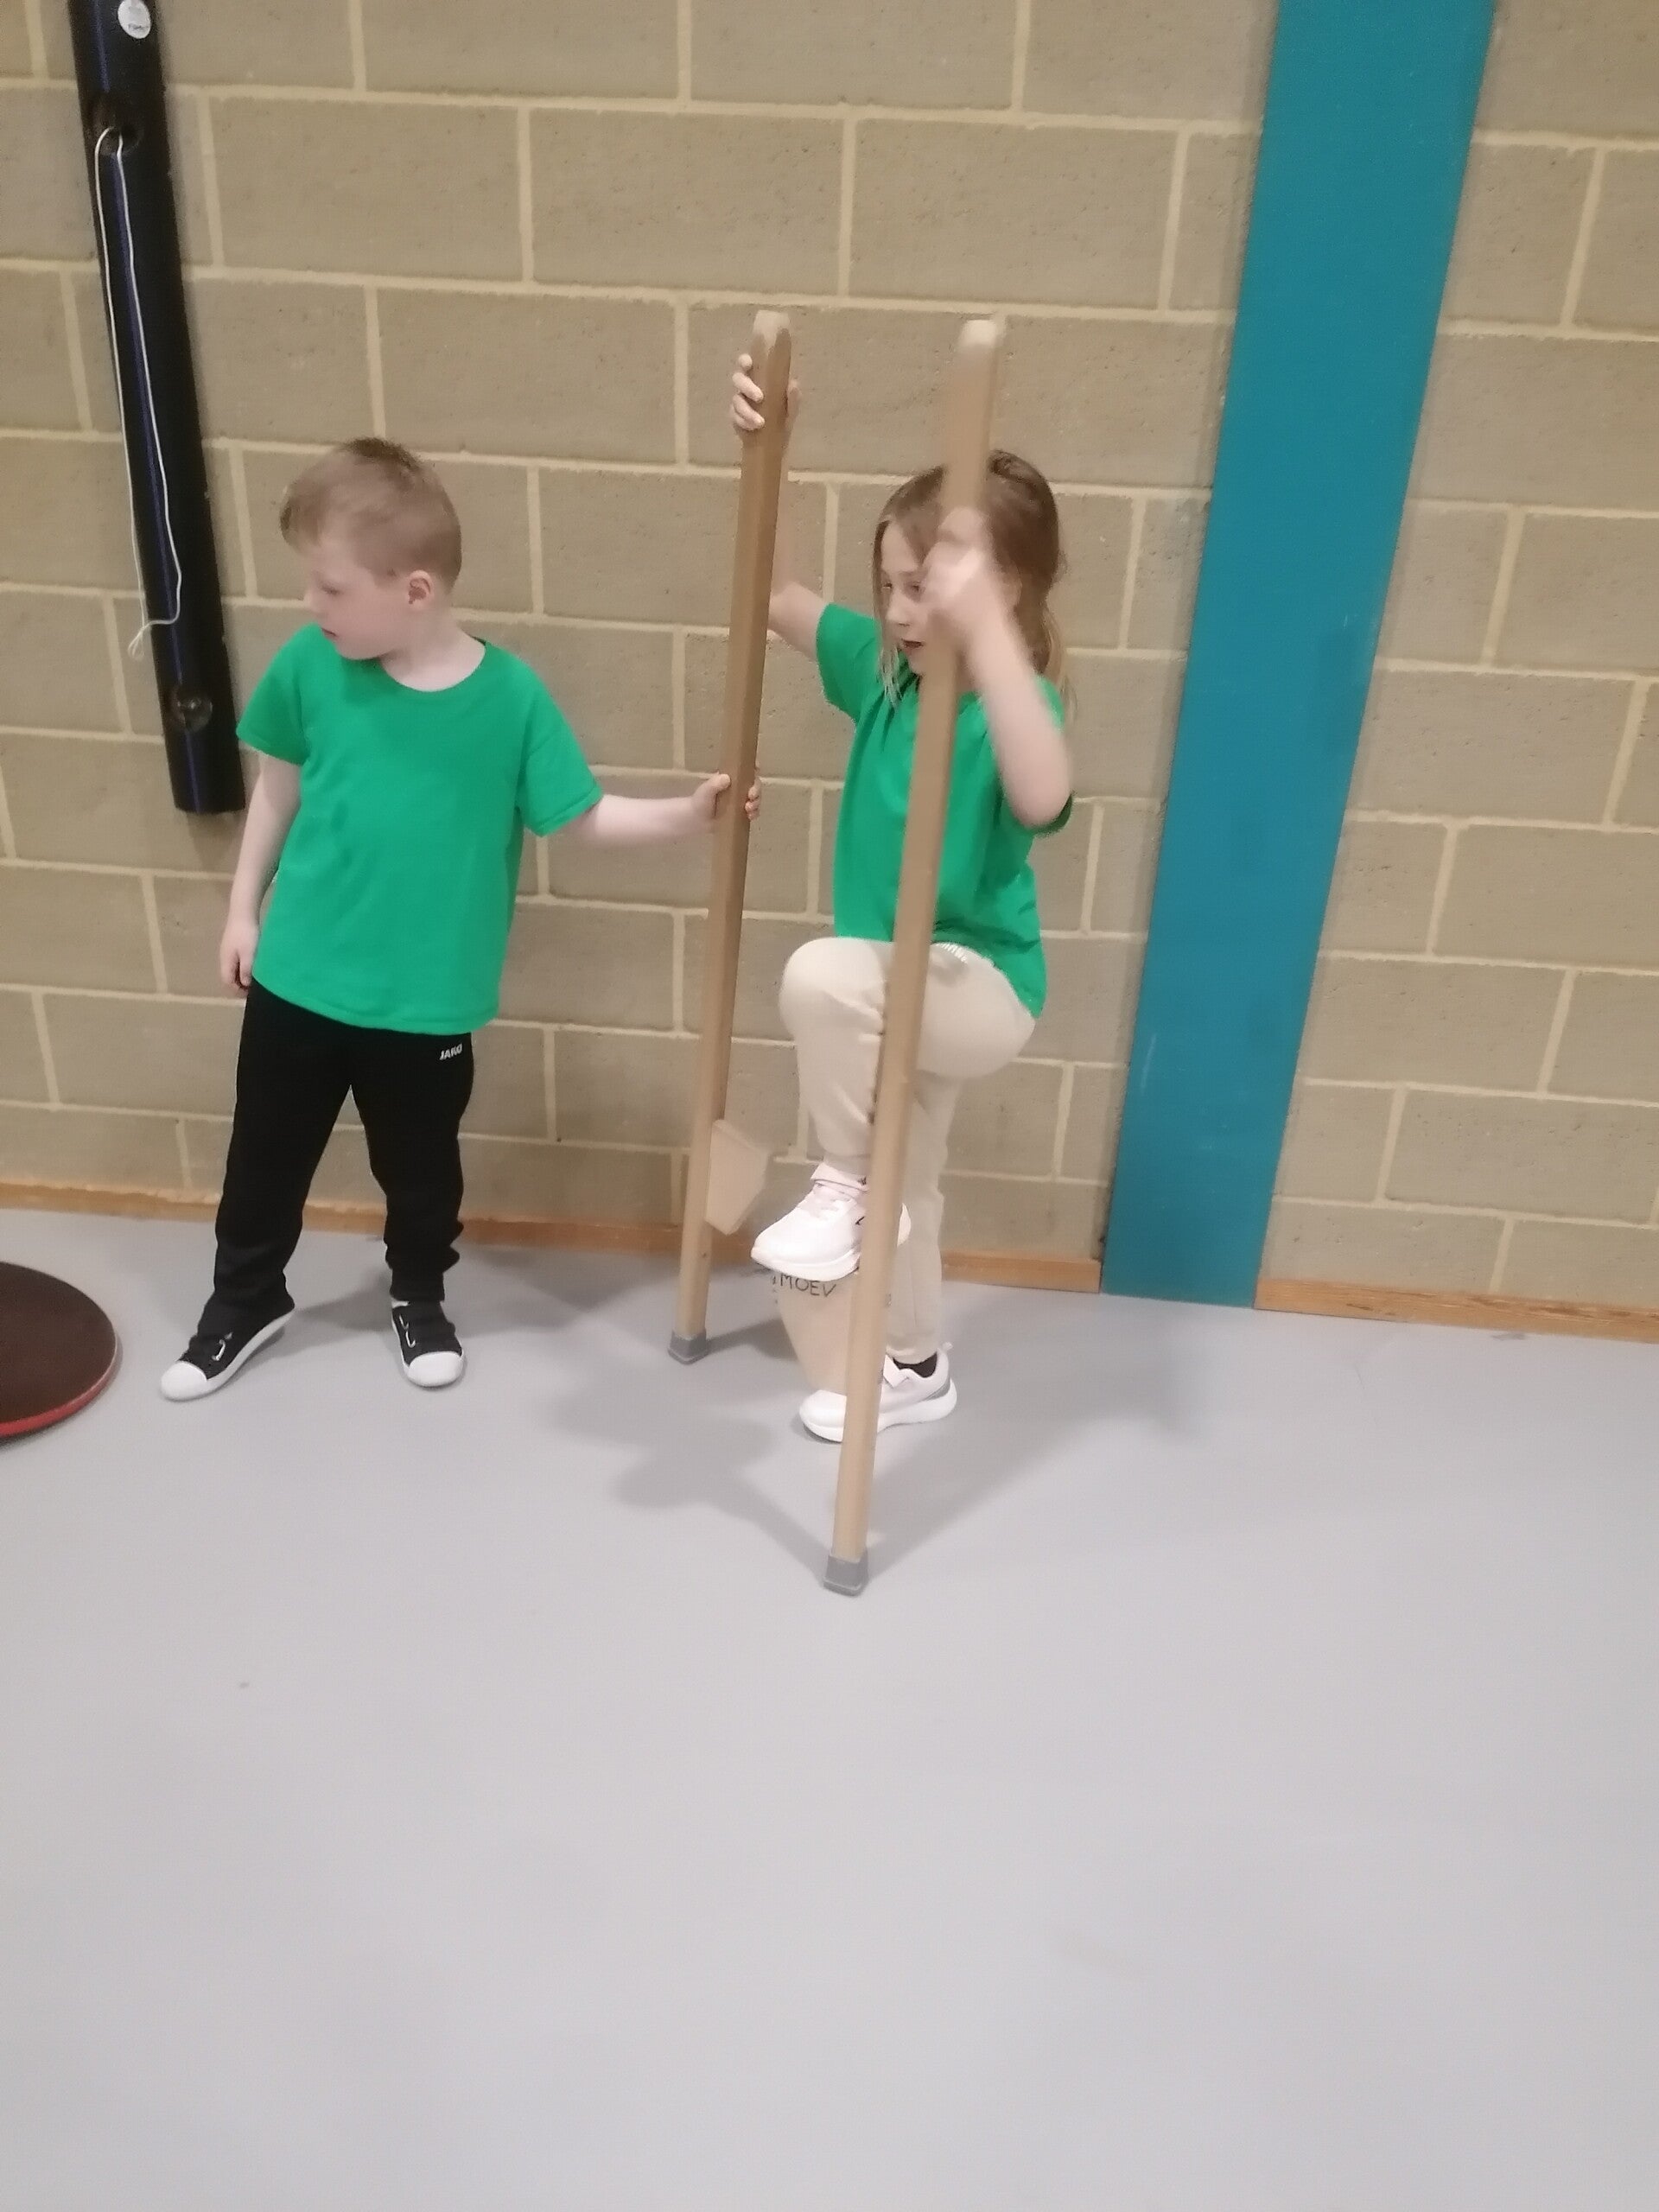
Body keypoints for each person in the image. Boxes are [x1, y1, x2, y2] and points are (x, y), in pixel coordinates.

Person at [161, 438, 754, 1402]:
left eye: (330, 587)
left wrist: (689, 817)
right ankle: (245, 1298)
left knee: (421, 1172)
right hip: (298, 979)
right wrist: (241, 911)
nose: (311, 605)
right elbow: (277, 791)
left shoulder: (510, 699)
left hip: (427, 1002)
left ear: (416, 589)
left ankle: (419, 1294)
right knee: (264, 1155)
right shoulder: (311, 668)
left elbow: (581, 817)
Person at [729, 353, 1074, 1441]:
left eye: (924, 586)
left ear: (1001, 589)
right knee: (908, 1181)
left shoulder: (1012, 704)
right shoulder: (883, 677)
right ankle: (915, 1361)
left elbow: (1044, 791)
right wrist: (770, 454)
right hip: (890, 993)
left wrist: (993, 640)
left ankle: (840, 1185)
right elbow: (774, 595)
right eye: (890, 583)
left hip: (980, 989)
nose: (898, 609)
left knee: (820, 975)